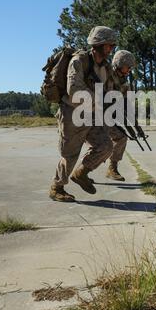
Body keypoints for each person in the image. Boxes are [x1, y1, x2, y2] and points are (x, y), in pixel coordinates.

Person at [49, 26, 116, 202]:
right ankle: (57, 187)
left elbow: (108, 90)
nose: (111, 49)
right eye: (108, 45)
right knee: (70, 154)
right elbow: (74, 90)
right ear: (98, 44)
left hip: (91, 114)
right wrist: (98, 99)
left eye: (112, 46)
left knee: (106, 146)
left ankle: (81, 173)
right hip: (72, 111)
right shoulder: (79, 61)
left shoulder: (106, 67)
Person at [106, 50, 136, 181]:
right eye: (127, 66)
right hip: (92, 116)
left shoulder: (123, 80)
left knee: (121, 138)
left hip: (108, 117)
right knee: (99, 147)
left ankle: (112, 168)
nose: (129, 69)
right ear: (119, 64)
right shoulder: (105, 75)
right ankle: (82, 172)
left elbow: (126, 101)